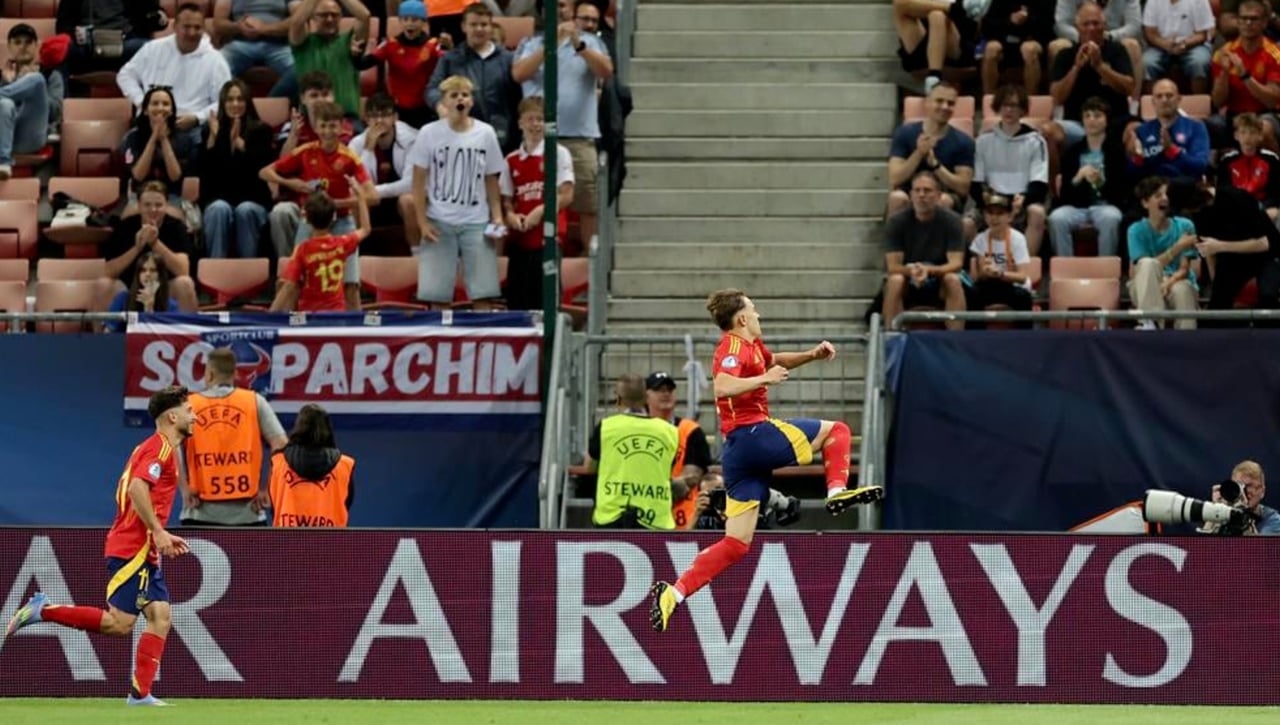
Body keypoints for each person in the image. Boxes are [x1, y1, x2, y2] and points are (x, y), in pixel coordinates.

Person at [650, 289, 885, 633]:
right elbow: (723, 386)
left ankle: (674, 593)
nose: (759, 315)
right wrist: (765, 379)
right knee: (836, 431)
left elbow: (777, 361)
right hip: (752, 436)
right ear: (742, 318)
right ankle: (836, 493)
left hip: (738, 456)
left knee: (735, 544)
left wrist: (812, 355)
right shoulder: (732, 346)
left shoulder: (753, 348)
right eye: (754, 310)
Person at [5, 386, 194, 707]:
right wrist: (159, 531)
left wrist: (157, 536)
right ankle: (44, 610)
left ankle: (140, 694)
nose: (195, 415)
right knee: (119, 624)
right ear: (173, 416)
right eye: (189, 410)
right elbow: (136, 489)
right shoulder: (159, 448)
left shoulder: (156, 449)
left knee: (160, 615)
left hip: (141, 547)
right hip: (133, 547)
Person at [261, 100, 375, 310]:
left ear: (341, 127)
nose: (328, 131)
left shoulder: (350, 158)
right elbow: (265, 172)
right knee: (291, 281)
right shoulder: (305, 151)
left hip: (341, 220)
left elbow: (372, 196)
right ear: (316, 127)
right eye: (323, 125)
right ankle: (288, 327)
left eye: (332, 126)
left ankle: (356, 332)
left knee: (351, 285)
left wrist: (335, 204)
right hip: (310, 221)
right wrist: (291, 183)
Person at [409, 74, 506, 309]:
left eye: (465, 94)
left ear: (471, 101)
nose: (460, 99)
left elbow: (491, 178)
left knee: (484, 293)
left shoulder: (486, 133)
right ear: (444, 102)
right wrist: (422, 223)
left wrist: (497, 216)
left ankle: (483, 340)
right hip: (439, 221)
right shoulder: (428, 133)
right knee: (437, 295)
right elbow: (418, 181)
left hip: (476, 221)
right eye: (454, 95)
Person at [181, 348, 289, 526]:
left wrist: (184, 488)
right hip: (248, 514)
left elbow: (170, 445)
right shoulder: (254, 401)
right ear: (235, 374)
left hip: (199, 514)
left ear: (209, 374)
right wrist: (268, 490)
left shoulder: (190, 405)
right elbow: (282, 443)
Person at [500, 96, 574, 310]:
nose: (535, 124)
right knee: (517, 301)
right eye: (530, 119)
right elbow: (507, 200)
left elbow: (567, 194)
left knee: (546, 301)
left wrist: (541, 211)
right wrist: (512, 216)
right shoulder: (511, 159)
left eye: (540, 119)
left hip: (548, 240)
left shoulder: (559, 153)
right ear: (520, 123)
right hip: (520, 242)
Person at [582, 373, 680, 530]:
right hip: (656, 519)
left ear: (618, 398)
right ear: (646, 397)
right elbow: (668, 468)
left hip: (612, 516)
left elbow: (590, 467)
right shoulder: (669, 431)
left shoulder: (606, 427)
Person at [201, 78, 276, 259]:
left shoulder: (261, 130)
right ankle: (216, 269)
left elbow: (264, 172)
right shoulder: (210, 129)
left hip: (254, 201)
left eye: (240, 99)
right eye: (230, 99)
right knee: (219, 208)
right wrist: (216, 141)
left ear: (247, 102)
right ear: (223, 103)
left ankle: (247, 268)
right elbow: (204, 174)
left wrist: (242, 146)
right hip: (219, 201)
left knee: (245, 209)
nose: (235, 104)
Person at [269, 182, 372, 312]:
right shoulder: (343, 243)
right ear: (333, 217)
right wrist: (361, 198)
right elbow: (366, 229)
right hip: (336, 315)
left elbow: (289, 285)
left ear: (305, 218)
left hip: (310, 316)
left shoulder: (302, 249)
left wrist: (270, 314)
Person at [1126, 176, 1199, 330]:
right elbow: (1146, 269)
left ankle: (1188, 341)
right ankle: (1150, 323)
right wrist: (1177, 248)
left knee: (1183, 290)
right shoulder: (1135, 230)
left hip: (1176, 280)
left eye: (1166, 195)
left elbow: (1184, 269)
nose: (1165, 198)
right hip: (1144, 285)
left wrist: (1169, 282)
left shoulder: (1185, 225)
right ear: (1145, 203)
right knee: (1147, 263)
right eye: (1158, 195)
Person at [366, 0, 449, 129]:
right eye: (405, 19)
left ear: (423, 22)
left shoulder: (433, 45)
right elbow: (362, 64)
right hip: (397, 111)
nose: (410, 23)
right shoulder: (390, 44)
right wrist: (355, 53)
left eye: (415, 19)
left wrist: (450, 48)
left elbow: (451, 65)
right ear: (400, 21)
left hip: (426, 111)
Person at [270, 403, 355, 527]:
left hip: (287, 543)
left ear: (298, 427)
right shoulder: (344, 465)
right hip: (330, 544)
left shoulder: (278, 462)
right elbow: (346, 504)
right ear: (327, 429)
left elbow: (274, 506)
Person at [967, 192, 1035, 315]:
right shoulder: (980, 239)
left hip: (1011, 285)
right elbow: (981, 276)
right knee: (972, 294)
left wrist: (1000, 273)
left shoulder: (1018, 239)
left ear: (1009, 217)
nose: (994, 218)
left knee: (1023, 297)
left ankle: (1024, 334)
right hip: (990, 285)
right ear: (985, 216)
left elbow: (1023, 276)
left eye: (999, 214)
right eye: (990, 213)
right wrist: (987, 271)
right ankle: (975, 334)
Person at [104, 251, 178, 333]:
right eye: (143, 270)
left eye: (153, 270)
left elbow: (160, 338)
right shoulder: (123, 299)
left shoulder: (172, 306)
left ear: (160, 276)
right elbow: (107, 333)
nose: (147, 274)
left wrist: (149, 309)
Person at [1208, 460, 1280, 535]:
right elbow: (1204, 544)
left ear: (1262, 491)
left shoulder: (1274, 521)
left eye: (1249, 486)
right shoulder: (1225, 513)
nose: (1243, 492)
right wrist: (1215, 510)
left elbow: (1260, 546)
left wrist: (1245, 510)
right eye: (1239, 486)